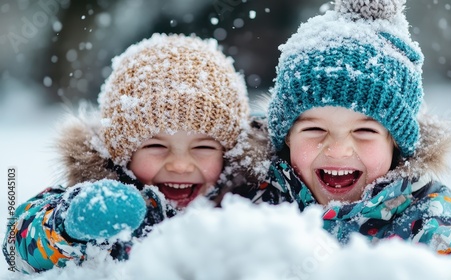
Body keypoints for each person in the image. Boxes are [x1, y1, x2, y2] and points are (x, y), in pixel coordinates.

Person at [243, 0, 451, 278]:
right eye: (315, 130)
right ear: (287, 138)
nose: (338, 149)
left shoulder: (425, 215)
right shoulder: (258, 192)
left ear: (396, 143)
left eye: (364, 131)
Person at [2, 33, 268, 273]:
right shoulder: (103, 198)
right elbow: (15, 247)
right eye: (156, 146)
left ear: (230, 152)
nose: (179, 164)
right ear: (123, 153)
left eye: (203, 147)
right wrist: (70, 225)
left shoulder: (250, 198)